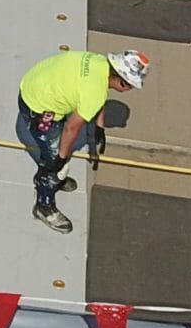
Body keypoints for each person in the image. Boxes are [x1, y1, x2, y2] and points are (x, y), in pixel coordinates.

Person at [14, 47, 147, 232]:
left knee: (58, 155)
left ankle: (51, 176)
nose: (130, 88)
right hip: (37, 107)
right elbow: (72, 127)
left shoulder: (99, 63)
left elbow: (99, 97)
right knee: (54, 163)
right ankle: (44, 206)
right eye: (131, 85)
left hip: (34, 84)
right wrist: (60, 159)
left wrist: (99, 127)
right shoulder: (95, 92)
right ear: (122, 82)